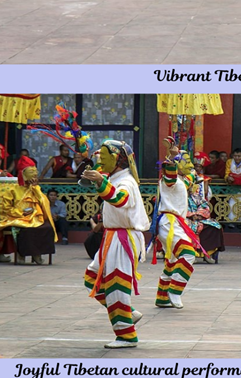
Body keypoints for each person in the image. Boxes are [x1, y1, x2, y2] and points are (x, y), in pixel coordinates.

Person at [81, 140, 149, 348]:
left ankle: (126, 336)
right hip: (112, 237)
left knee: (117, 286)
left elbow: (119, 199)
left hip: (123, 238)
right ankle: (128, 314)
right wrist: (96, 177)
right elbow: (91, 183)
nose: (100, 159)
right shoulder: (115, 177)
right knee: (92, 278)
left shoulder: (126, 182)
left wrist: (101, 182)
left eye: (104, 155)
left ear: (117, 159)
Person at [150, 148, 201, 309]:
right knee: (188, 254)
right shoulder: (169, 180)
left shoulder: (180, 181)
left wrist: (193, 173)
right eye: (186, 160)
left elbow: (190, 178)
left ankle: (162, 297)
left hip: (176, 223)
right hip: (169, 223)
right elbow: (171, 173)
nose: (190, 163)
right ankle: (175, 290)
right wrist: (172, 157)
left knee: (172, 261)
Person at [0, 157, 56, 265]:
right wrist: (21, 213)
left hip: (34, 216)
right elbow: (6, 208)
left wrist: (35, 188)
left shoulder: (35, 188)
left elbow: (44, 203)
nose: (34, 176)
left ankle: (37, 254)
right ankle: (21, 254)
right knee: (26, 229)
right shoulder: (12, 189)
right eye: (31, 173)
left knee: (46, 227)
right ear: (23, 174)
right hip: (17, 217)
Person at [186, 156, 222, 264]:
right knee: (190, 227)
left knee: (215, 227)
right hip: (186, 218)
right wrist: (191, 215)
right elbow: (179, 208)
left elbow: (204, 205)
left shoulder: (198, 196)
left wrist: (199, 214)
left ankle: (207, 253)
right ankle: (192, 255)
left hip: (199, 218)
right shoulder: (181, 196)